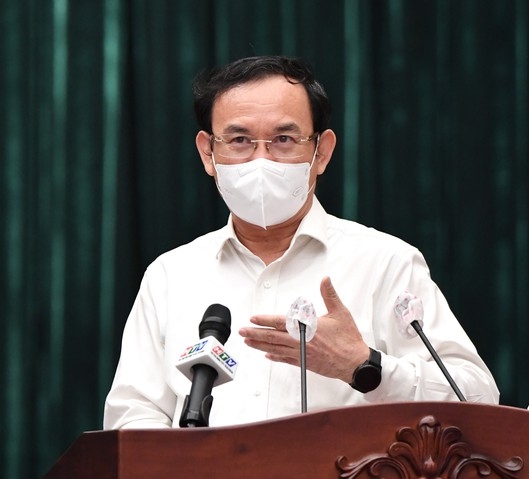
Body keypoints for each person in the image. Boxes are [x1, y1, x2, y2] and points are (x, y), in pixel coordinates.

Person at [103, 55, 499, 430]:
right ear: (208, 153)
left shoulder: (385, 262)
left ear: (321, 152)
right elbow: (131, 415)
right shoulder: (171, 274)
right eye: (239, 139)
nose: (261, 161)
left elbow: (478, 401)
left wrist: (363, 366)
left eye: (283, 139)